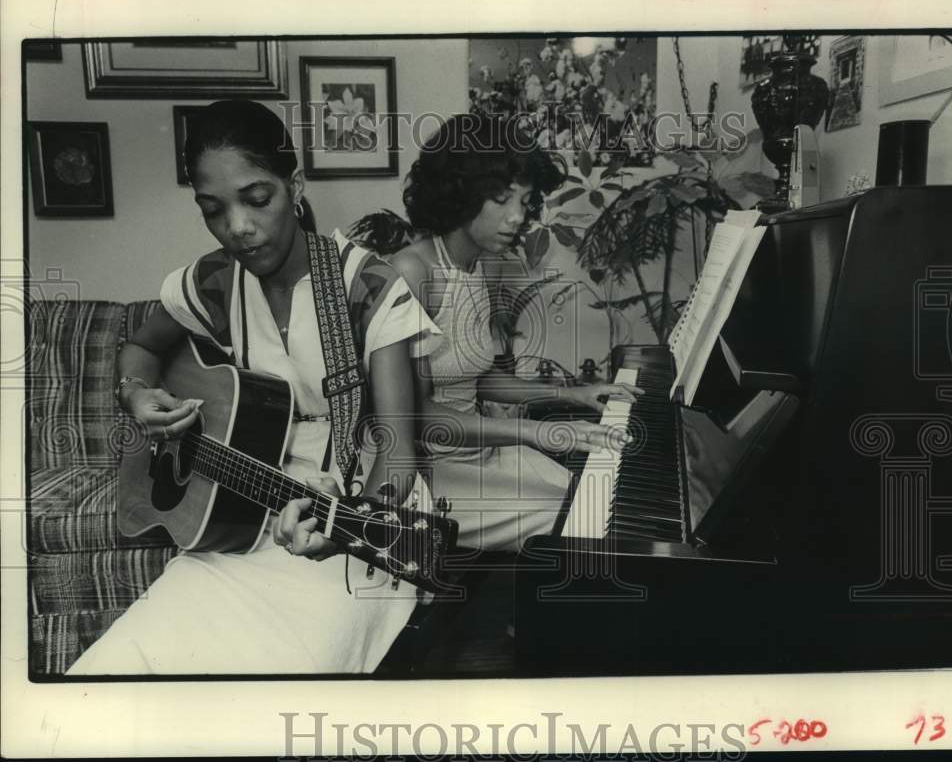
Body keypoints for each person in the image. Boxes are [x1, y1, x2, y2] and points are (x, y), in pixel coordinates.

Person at [67, 99, 439, 675]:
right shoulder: (214, 281)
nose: (237, 227)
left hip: (354, 512)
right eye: (213, 210)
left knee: (280, 683)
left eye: (256, 199)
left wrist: (344, 527)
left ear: (294, 186)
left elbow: (397, 450)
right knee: (122, 663)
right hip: (239, 518)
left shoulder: (365, 284)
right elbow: (139, 349)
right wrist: (137, 395)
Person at [391, 115, 641, 552]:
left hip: (483, 451)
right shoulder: (412, 270)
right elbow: (414, 414)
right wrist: (533, 432)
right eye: (501, 200)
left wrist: (572, 395)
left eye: (524, 202)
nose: (515, 217)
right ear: (460, 194)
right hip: (430, 471)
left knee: (600, 499)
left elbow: (475, 377)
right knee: (578, 521)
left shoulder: (476, 266)